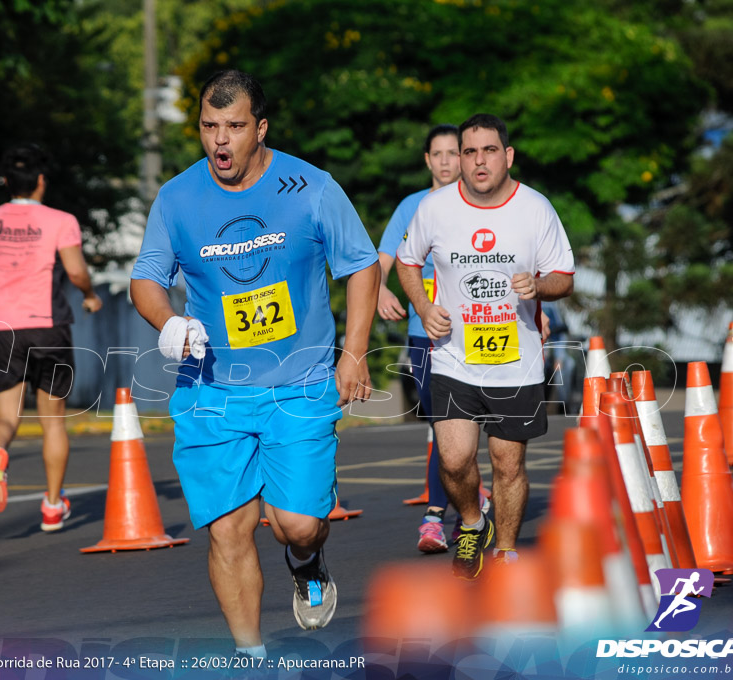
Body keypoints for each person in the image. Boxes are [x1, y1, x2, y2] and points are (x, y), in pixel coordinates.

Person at [130, 70, 379, 658]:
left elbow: (361, 266)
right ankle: (250, 657)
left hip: (300, 385)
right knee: (228, 530)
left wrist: (355, 354)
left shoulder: (312, 187)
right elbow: (146, 278)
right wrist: (169, 323)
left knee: (296, 523)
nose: (220, 141)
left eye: (235, 126)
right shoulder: (178, 198)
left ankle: (307, 560)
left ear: (260, 128)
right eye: (208, 127)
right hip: (213, 390)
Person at [396, 113, 574, 580]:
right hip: (454, 354)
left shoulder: (536, 209)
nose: (478, 161)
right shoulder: (435, 208)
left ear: (507, 156)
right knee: (454, 461)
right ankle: (473, 522)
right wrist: (423, 305)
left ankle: (508, 551)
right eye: (469, 151)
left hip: (515, 360)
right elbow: (406, 261)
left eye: (489, 150)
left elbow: (564, 278)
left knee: (507, 463)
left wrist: (539, 285)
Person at [0, 143, 103, 532]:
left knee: (5, 418)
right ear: (39, 180)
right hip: (48, 327)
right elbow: (76, 272)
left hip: (3, 330)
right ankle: (53, 506)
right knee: (53, 423)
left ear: (6, 182)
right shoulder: (60, 220)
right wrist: (88, 295)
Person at [376, 124, 481, 554]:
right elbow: (384, 259)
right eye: (435, 153)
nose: (443, 160)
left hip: (475, 331)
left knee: (466, 426)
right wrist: (380, 287)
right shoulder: (411, 207)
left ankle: (447, 514)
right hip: (426, 335)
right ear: (426, 160)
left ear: (463, 157)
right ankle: (454, 510)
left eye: (452, 153)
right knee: (443, 425)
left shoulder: (478, 204)